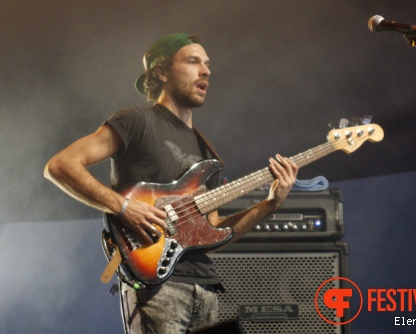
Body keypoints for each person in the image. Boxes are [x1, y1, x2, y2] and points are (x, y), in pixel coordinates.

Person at [44, 33, 299, 334]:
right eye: (193, 62)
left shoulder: (209, 154)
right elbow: (61, 165)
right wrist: (123, 207)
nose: (206, 71)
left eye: (207, 64)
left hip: (206, 291)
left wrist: (271, 205)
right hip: (156, 289)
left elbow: (215, 232)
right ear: (161, 72)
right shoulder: (136, 121)